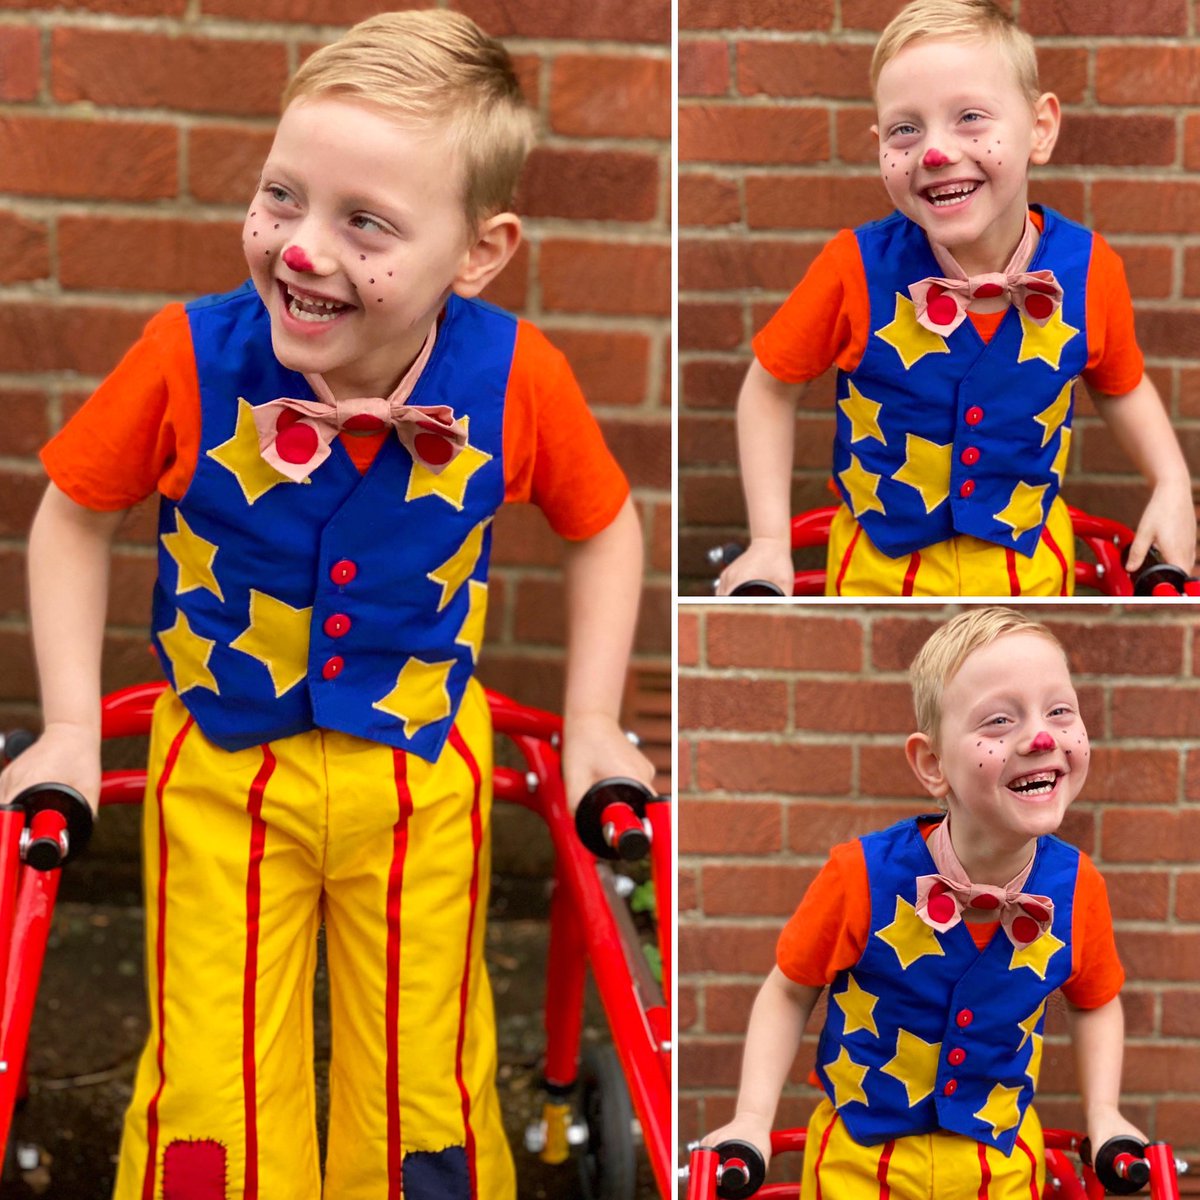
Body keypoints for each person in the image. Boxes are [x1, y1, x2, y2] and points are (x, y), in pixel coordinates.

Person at [0, 11, 654, 1199]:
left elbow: (603, 526)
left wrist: (595, 721)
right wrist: (69, 726)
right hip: (222, 770)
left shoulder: (518, 378)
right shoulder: (186, 357)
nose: (302, 249)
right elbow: (70, 513)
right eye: (281, 197)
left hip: (418, 776)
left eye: (365, 223)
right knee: (214, 1089)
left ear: (479, 250)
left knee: (423, 1093)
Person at [717, 0, 1195, 597]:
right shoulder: (852, 269)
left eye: (970, 117)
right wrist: (767, 541)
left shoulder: (1091, 269)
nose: (935, 152)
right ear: (879, 148)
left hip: (1031, 574)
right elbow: (769, 386)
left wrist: (1172, 483)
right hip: (877, 575)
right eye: (905, 130)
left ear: (1039, 129)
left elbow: (1121, 382)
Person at [702, 607, 1142, 1198]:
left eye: (1060, 711)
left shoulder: (1077, 886)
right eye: (998, 721)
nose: (1041, 737)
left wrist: (1105, 1111)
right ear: (933, 765)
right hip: (861, 1163)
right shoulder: (860, 875)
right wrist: (753, 1118)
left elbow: (1096, 1002)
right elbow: (788, 989)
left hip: (1001, 1167)